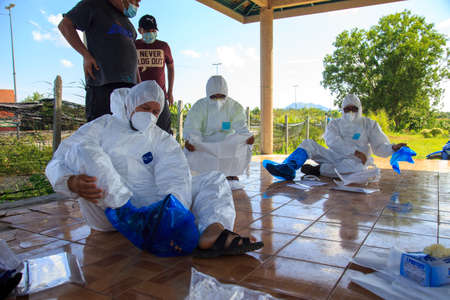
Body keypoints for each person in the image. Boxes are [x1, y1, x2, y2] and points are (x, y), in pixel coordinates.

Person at [45, 80, 263, 258]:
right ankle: (131, 216)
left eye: (155, 111)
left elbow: (175, 172)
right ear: (130, 104)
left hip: (155, 209)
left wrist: (173, 209)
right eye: (144, 108)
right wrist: (70, 182)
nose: (149, 115)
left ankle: (212, 231)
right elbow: (57, 161)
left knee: (214, 179)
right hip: (107, 209)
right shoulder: (101, 127)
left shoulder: (159, 137)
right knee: (86, 151)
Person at [264, 94, 407, 180]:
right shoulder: (335, 124)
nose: (350, 112)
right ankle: (288, 168)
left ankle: (317, 170)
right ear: (342, 109)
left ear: (360, 109)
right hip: (335, 155)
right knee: (308, 143)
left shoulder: (369, 124)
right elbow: (332, 141)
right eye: (347, 109)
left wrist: (392, 148)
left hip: (357, 161)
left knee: (356, 171)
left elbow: (379, 147)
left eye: (354, 109)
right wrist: (354, 151)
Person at [58, 0, 142, 122]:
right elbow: (65, 25)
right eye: (134, 0)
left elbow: (133, 58)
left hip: (129, 89)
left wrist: (138, 85)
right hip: (103, 85)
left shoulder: (128, 24)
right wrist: (86, 55)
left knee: (125, 134)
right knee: (99, 131)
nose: (137, 4)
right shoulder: (93, 5)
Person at [183, 75, 254, 190]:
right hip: (205, 143)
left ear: (226, 93)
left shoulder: (234, 107)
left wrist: (247, 136)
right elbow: (193, 128)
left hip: (227, 143)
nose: (218, 100)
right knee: (192, 150)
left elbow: (240, 125)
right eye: (214, 97)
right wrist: (191, 141)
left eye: (221, 96)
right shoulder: (199, 107)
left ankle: (230, 173)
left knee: (238, 143)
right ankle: (206, 174)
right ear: (208, 94)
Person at [135, 15, 174, 134]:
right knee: (140, 131)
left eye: (153, 30)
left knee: (164, 132)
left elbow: (171, 68)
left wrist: (170, 92)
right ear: (140, 30)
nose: (150, 33)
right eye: (147, 31)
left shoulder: (164, 46)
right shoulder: (133, 45)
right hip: (139, 98)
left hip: (160, 97)